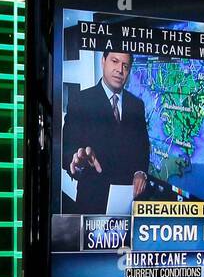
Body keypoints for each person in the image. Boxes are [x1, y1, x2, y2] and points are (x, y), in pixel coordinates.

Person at [62, 48, 150, 214]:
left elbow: (143, 146)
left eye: (125, 65)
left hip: (128, 202)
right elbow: (67, 147)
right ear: (103, 61)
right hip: (92, 201)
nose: (119, 70)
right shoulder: (81, 101)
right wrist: (77, 162)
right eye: (115, 61)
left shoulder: (136, 105)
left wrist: (140, 172)